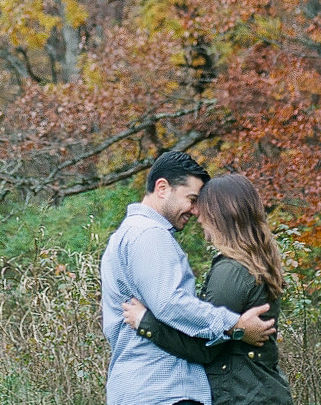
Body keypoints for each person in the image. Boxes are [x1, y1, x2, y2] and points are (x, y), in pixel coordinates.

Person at [101, 152, 276, 405]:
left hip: (145, 389)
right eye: (191, 199)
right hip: (164, 389)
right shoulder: (150, 235)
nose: (195, 211)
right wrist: (235, 325)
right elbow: (171, 303)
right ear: (162, 188)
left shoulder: (126, 235)